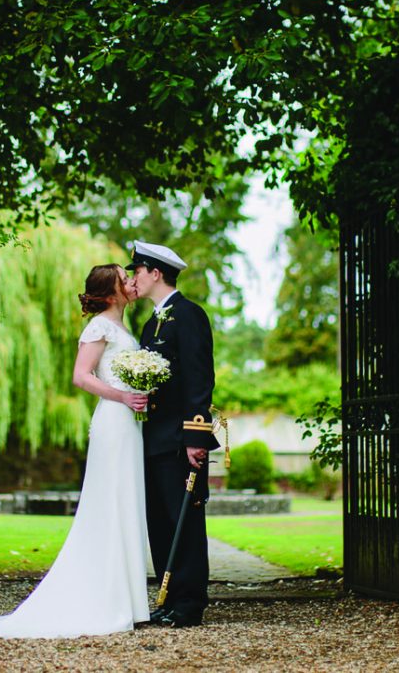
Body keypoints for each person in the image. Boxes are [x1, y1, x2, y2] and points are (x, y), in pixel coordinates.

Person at [0, 264, 150, 638]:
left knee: (125, 500)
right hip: (113, 419)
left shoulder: (124, 327)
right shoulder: (100, 327)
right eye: (124, 279)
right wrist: (123, 395)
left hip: (129, 424)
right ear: (110, 294)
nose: (131, 282)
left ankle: (128, 599)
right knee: (109, 501)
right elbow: (81, 376)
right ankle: (107, 598)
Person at [127, 241, 221, 628]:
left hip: (182, 440)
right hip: (154, 438)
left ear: (155, 272)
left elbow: (201, 379)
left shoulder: (189, 315)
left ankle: (188, 603)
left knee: (185, 521)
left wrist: (196, 436)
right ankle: (167, 598)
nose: (133, 278)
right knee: (161, 522)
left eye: (137, 271)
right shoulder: (152, 323)